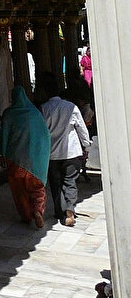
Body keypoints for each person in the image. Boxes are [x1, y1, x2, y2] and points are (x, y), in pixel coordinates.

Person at [41, 81, 91, 226]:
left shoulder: (44, 109)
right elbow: (81, 128)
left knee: (56, 184)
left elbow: (42, 132)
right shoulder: (71, 107)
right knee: (70, 182)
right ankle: (69, 209)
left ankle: (59, 211)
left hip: (52, 154)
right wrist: (86, 145)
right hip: (71, 151)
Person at [0, 86, 50, 228]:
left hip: (15, 159)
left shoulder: (9, 114)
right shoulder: (35, 114)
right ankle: (38, 210)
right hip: (36, 161)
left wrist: (1, 154)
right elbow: (45, 136)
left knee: (19, 189)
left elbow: (4, 136)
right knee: (37, 188)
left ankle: (26, 215)